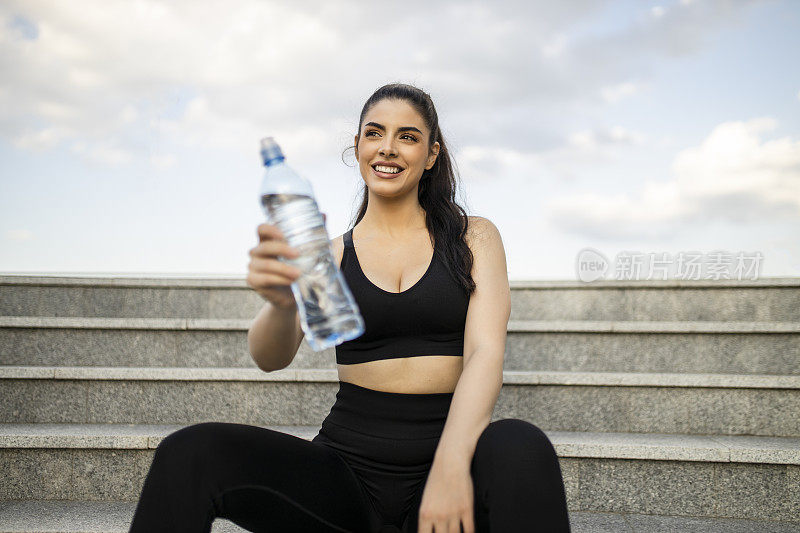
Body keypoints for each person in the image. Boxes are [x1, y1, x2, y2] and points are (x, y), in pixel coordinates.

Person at [128, 83, 571, 533]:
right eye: (375, 133)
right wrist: (283, 304)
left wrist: (451, 466)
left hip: (449, 461)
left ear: (431, 154)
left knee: (522, 444)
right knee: (190, 452)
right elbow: (269, 357)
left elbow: (485, 353)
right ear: (357, 146)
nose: (388, 148)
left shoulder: (473, 238)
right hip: (347, 476)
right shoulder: (332, 254)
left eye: (408, 136)